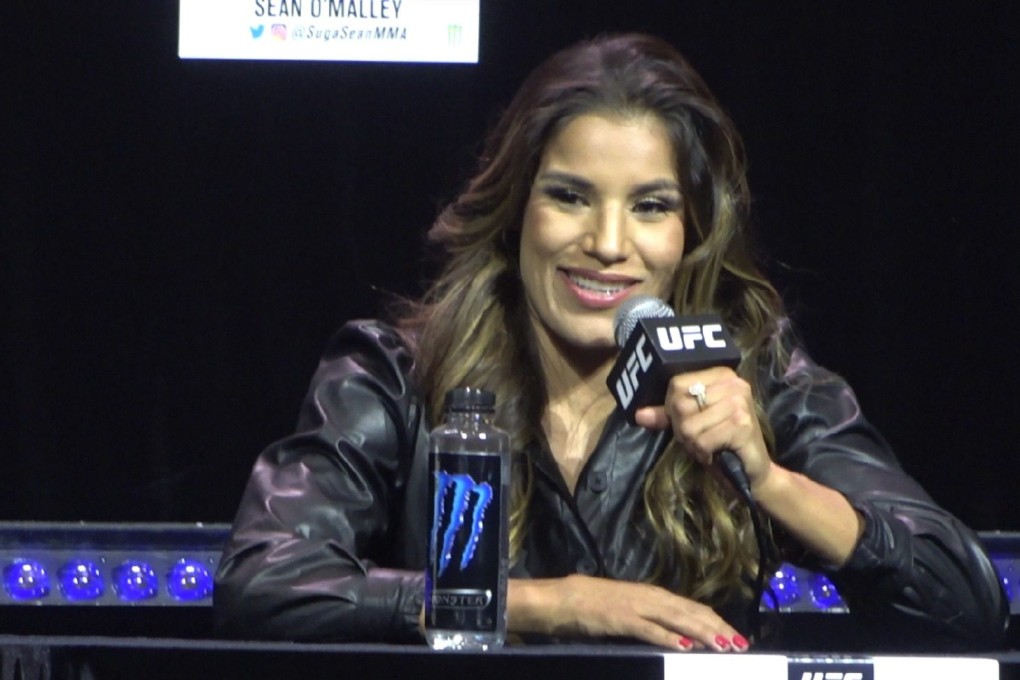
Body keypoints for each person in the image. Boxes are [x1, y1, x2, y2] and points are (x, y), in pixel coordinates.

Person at [213, 33, 1008, 652]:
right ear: (518, 208)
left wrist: (771, 481)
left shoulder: (759, 377)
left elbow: (968, 608)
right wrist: (557, 606)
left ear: (691, 232)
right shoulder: (392, 373)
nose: (607, 242)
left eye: (651, 206)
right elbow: (264, 584)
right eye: (570, 196)